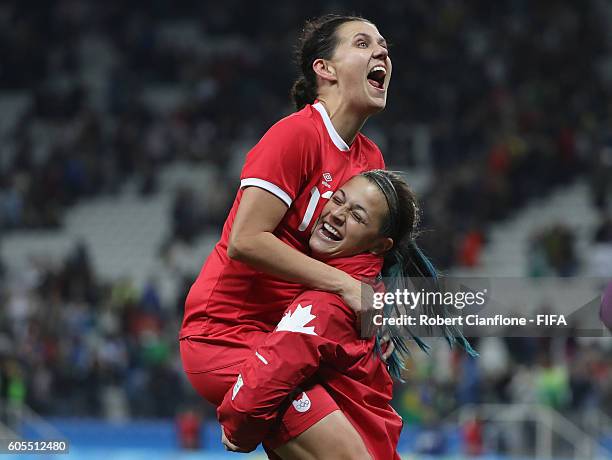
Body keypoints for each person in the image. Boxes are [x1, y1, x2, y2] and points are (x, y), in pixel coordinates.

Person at [180, 14, 393, 458]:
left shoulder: (370, 159)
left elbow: (361, 263)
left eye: (383, 45)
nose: (382, 53)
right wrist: (346, 288)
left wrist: (375, 311)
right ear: (325, 69)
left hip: (293, 340)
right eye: (362, 43)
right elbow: (247, 240)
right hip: (227, 334)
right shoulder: (295, 135)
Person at [217, 170, 476, 459]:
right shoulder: (369, 291)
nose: (337, 214)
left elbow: (267, 379)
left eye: (357, 216)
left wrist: (237, 426)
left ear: (380, 245)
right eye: (337, 199)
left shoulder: (328, 302)